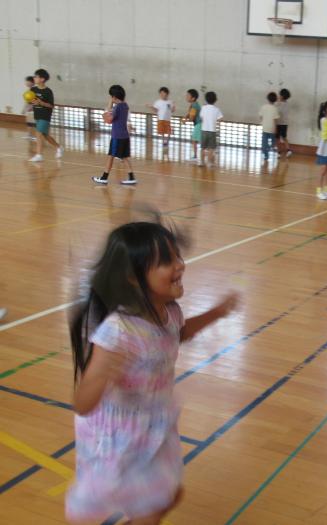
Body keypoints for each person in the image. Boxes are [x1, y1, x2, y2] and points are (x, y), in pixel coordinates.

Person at [66, 221, 238, 524]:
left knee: (169, 496)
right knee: (151, 507)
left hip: (154, 423)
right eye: (167, 261)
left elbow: (179, 334)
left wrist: (217, 313)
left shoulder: (169, 311)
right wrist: (104, 373)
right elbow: (82, 404)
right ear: (134, 278)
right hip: (119, 435)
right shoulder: (117, 331)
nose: (180, 265)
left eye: (178, 256)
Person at [92, 85, 137, 185]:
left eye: (111, 97)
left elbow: (109, 118)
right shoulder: (125, 105)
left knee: (111, 156)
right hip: (125, 136)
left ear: (114, 97)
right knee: (124, 157)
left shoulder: (117, 107)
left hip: (117, 137)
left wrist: (109, 105)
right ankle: (131, 177)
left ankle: (104, 177)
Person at [28, 68, 63, 162]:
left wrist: (41, 102)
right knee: (45, 135)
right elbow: (31, 101)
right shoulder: (33, 89)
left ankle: (39, 155)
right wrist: (31, 103)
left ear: (42, 79)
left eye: (36, 76)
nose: (34, 78)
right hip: (37, 115)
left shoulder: (48, 91)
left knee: (38, 134)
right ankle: (59, 147)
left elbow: (51, 105)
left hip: (45, 116)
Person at [198, 91, 223, 168]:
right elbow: (220, 119)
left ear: (206, 99)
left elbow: (201, 117)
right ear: (215, 100)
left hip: (204, 130)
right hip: (212, 131)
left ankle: (201, 162)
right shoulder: (217, 109)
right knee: (211, 149)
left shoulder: (203, 108)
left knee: (203, 147)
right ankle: (209, 163)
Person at [259, 92, 280, 162]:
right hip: (272, 128)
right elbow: (275, 120)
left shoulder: (263, 107)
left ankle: (266, 154)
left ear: (268, 99)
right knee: (273, 143)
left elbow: (261, 116)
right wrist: (276, 129)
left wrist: (263, 122)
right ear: (275, 100)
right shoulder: (275, 109)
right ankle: (268, 148)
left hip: (265, 127)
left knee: (264, 142)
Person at [184, 89, 202, 162]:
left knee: (194, 140)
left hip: (199, 124)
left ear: (193, 98)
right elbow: (189, 114)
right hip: (199, 124)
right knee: (196, 140)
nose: (186, 97)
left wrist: (185, 120)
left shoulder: (194, 106)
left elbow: (191, 118)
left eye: (188, 96)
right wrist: (185, 118)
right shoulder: (193, 104)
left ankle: (195, 157)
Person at [276, 88, 292, 158]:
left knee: (277, 138)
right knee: (284, 137)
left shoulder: (278, 104)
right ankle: (288, 150)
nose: (278, 96)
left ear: (282, 96)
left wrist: (277, 103)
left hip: (278, 123)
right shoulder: (287, 104)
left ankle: (279, 152)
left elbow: (277, 112)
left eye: (279, 95)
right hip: (285, 123)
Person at [23, 76, 37, 140]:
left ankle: (35, 136)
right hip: (29, 108)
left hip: (32, 109)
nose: (26, 83)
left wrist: (31, 107)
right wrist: (24, 109)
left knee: (33, 122)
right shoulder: (29, 90)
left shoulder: (34, 89)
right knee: (29, 122)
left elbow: (34, 100)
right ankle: (29, 135)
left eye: (27, 81)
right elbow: (27, 101)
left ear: (32, 82)